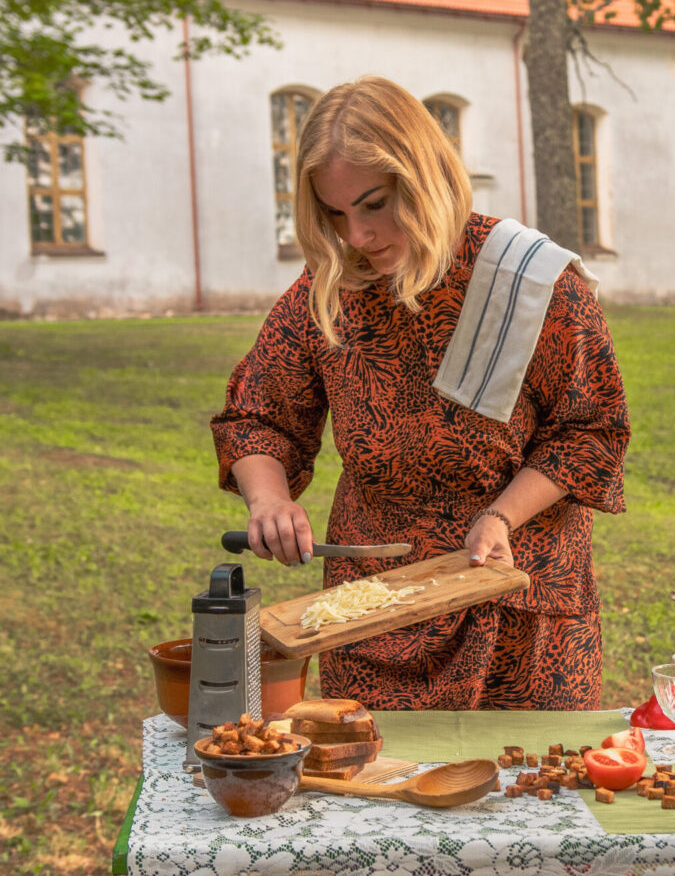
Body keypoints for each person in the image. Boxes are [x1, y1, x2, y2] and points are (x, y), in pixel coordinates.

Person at [211, 76, 630, 711]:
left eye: (375, 204)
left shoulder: (527, 281)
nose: (357, 236)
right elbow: (257, 416)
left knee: (529, 797)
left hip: (520, 605)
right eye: (335, 213)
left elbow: (589, 431)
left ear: (425, 175)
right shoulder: (327, 291)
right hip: (371, 616)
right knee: (374, 788)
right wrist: (268, 499)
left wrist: (501, 515)